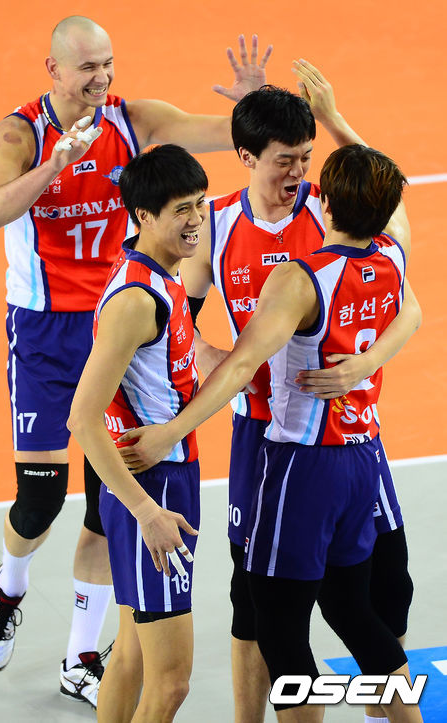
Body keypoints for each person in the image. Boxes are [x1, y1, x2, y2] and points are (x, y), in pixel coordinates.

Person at [0, 13, 272, 707]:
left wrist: (252, 107)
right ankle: (10, 587)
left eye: (108, 63)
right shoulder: (19, 135)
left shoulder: (132, 121)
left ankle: (81, 654)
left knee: (107, 506)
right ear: (53, 70)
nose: (102, 77)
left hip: (121, 321)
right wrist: (55, 165)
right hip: (45, 331)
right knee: (41, 497)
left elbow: (223, 136)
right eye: (88, 67)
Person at [140, 61, 420, 723]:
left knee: (385, 586)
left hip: (343, 434)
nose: (299, 172)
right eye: (285, 160)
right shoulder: (215, 226)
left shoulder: (333, 215)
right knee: (258, 604)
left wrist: (362, 364)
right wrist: (204, 353)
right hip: (264, 438)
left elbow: (408, 306)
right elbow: (181, 322)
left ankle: (382, 705)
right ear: (246, 157)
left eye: (307, 158)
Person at [67, 143, 207, 722]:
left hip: (163, 479)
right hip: (156, 490)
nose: (196, 218)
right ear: (144, 216)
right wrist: (148, 512)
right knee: (171, 682)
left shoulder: (158, 271)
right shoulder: (135, 300)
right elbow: (82, 418)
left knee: (129, 656)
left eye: (199, 203)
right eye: (181, 209)